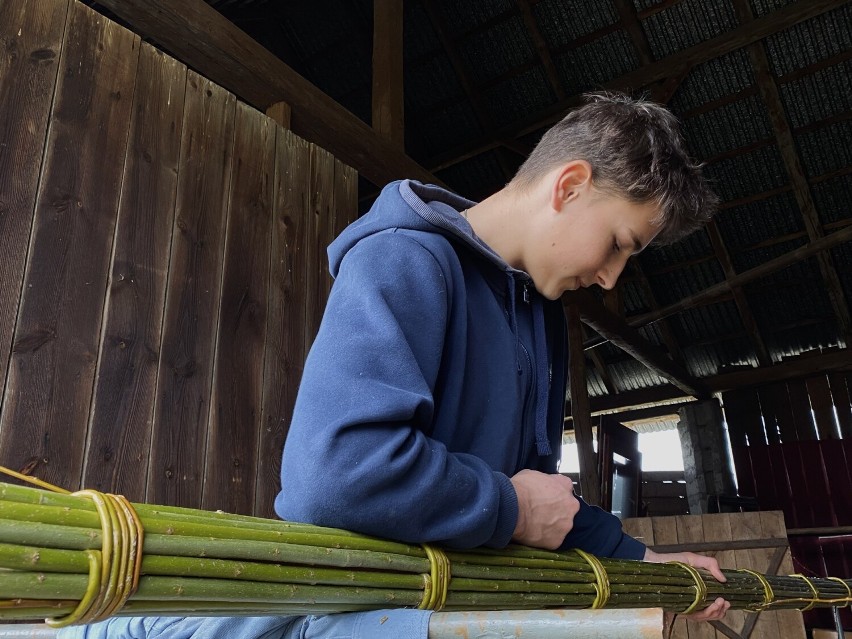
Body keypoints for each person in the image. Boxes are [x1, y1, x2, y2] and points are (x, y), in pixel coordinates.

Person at [58, 92, 729, 639]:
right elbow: (336, 473)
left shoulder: (540, 315)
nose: (611, 277)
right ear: (571, 184)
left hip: (446, 611)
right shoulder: (406, 260)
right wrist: (509, 507)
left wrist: (644, 561)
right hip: (346, 610)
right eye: (619, 243)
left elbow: (539, 493)